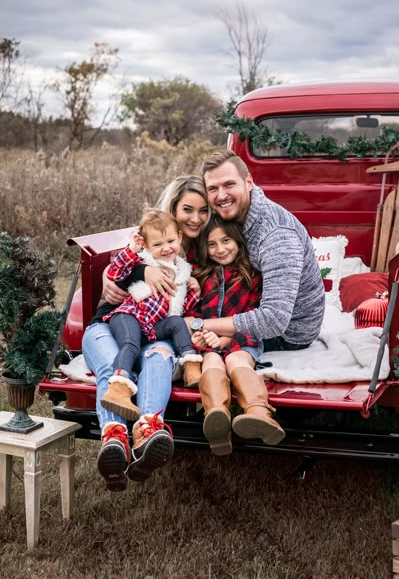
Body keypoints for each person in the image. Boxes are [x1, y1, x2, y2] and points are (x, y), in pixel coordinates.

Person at [83, 175, 209, 492]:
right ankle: (113, 437)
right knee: (114, 363)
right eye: (187, 209)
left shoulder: (208, 250)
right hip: (112, 323)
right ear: (173, 210)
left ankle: (147, 432)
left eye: (203, 210)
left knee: (158, 357)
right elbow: (114, 277)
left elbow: (194, 307)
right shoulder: (145, 241)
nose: (196, 217)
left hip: (157, 331)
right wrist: (142, 270)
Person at [196, 149, 325, 352]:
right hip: (249, 307)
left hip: (289, 333)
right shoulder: (229, 216)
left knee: (190, 341)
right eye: (213, 188)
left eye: (229, 184)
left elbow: (274, 320)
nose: (221, 195)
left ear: (249, 182)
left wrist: (198, 324)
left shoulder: (276, 234)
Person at [188, 215, 286, 456]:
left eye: (226, 240)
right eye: (212, 244)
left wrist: (225, 339)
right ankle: (216, 417)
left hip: (243, 337)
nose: (220, 249)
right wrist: (200, 335)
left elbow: (256, 316)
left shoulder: (252, 275)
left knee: (236, 360)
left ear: (239, 241)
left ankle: (259, 411)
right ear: (204, 247)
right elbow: (191, 314)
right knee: (211, 360)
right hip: (209, 340)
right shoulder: (201, 276)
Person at [99, 208, 202, 420]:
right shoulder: (142, 261)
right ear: (146, 245)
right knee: (130, 344)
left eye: (170, 241)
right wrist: (131, 249)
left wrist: (196, 291)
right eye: (157, 244)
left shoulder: (183, 270)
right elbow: (115, 272)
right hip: (128, 316)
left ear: (180, 237)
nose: (166, 248)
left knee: (176, 322)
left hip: (153, 326)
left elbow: (181, 306)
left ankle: (191, 365)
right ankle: (118, 389)